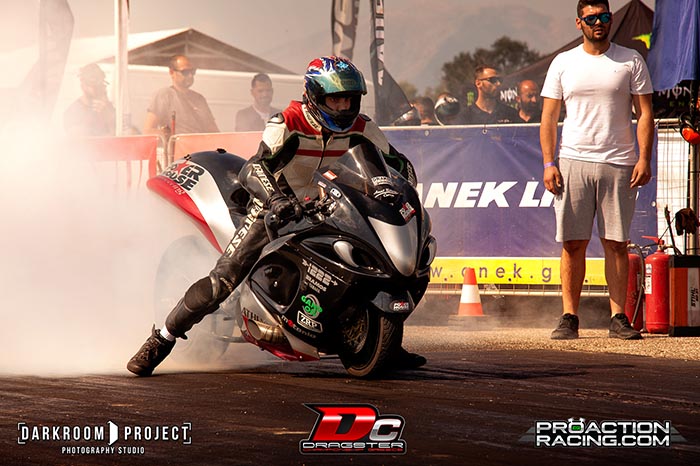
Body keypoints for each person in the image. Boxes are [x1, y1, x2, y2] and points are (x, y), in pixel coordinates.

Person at [127, 56, 425, 376]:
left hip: (331, 206)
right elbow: (254, 168)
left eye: (349, 99)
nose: (342, 107)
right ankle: (163, 337)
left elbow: (397, 165)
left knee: (398, 264)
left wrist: (400, 191)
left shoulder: (363, 127)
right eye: (335, 99)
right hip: (276, 208)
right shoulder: (288, 122)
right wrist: (276, 200)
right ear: (314, 95)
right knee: (224, 279)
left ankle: (382, 342)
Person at [540, 0, 653, 340]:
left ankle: (618, 318)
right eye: (591, 18)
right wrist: (549, 163)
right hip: (573, 161)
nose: (598, 22)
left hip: (619, 162)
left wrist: (644, 158)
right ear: (579, 23)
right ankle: (569, 317)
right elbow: (549, 117)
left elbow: (645, 113)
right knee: (573, 243)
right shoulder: (564, 62)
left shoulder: (631, 59)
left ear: (610, 18)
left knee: (616, 244)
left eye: (604, 16)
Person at [143, 55, 219, 138]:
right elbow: (148, 131)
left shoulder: (199, 99)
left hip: (200, 145)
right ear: (172, 72)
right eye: (185, 72)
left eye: (192, 72)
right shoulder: (164, 95)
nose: (190, 76)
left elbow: (214, 131)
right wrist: (168, 136)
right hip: (177, 146)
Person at [63, 63, 116, 137]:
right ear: (83, 86)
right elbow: (77, 138)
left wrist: (109, 116)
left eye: (100, 84)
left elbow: (120, 134)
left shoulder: (108, 108)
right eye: (93, 85)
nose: (98, 89)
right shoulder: (73, 111)